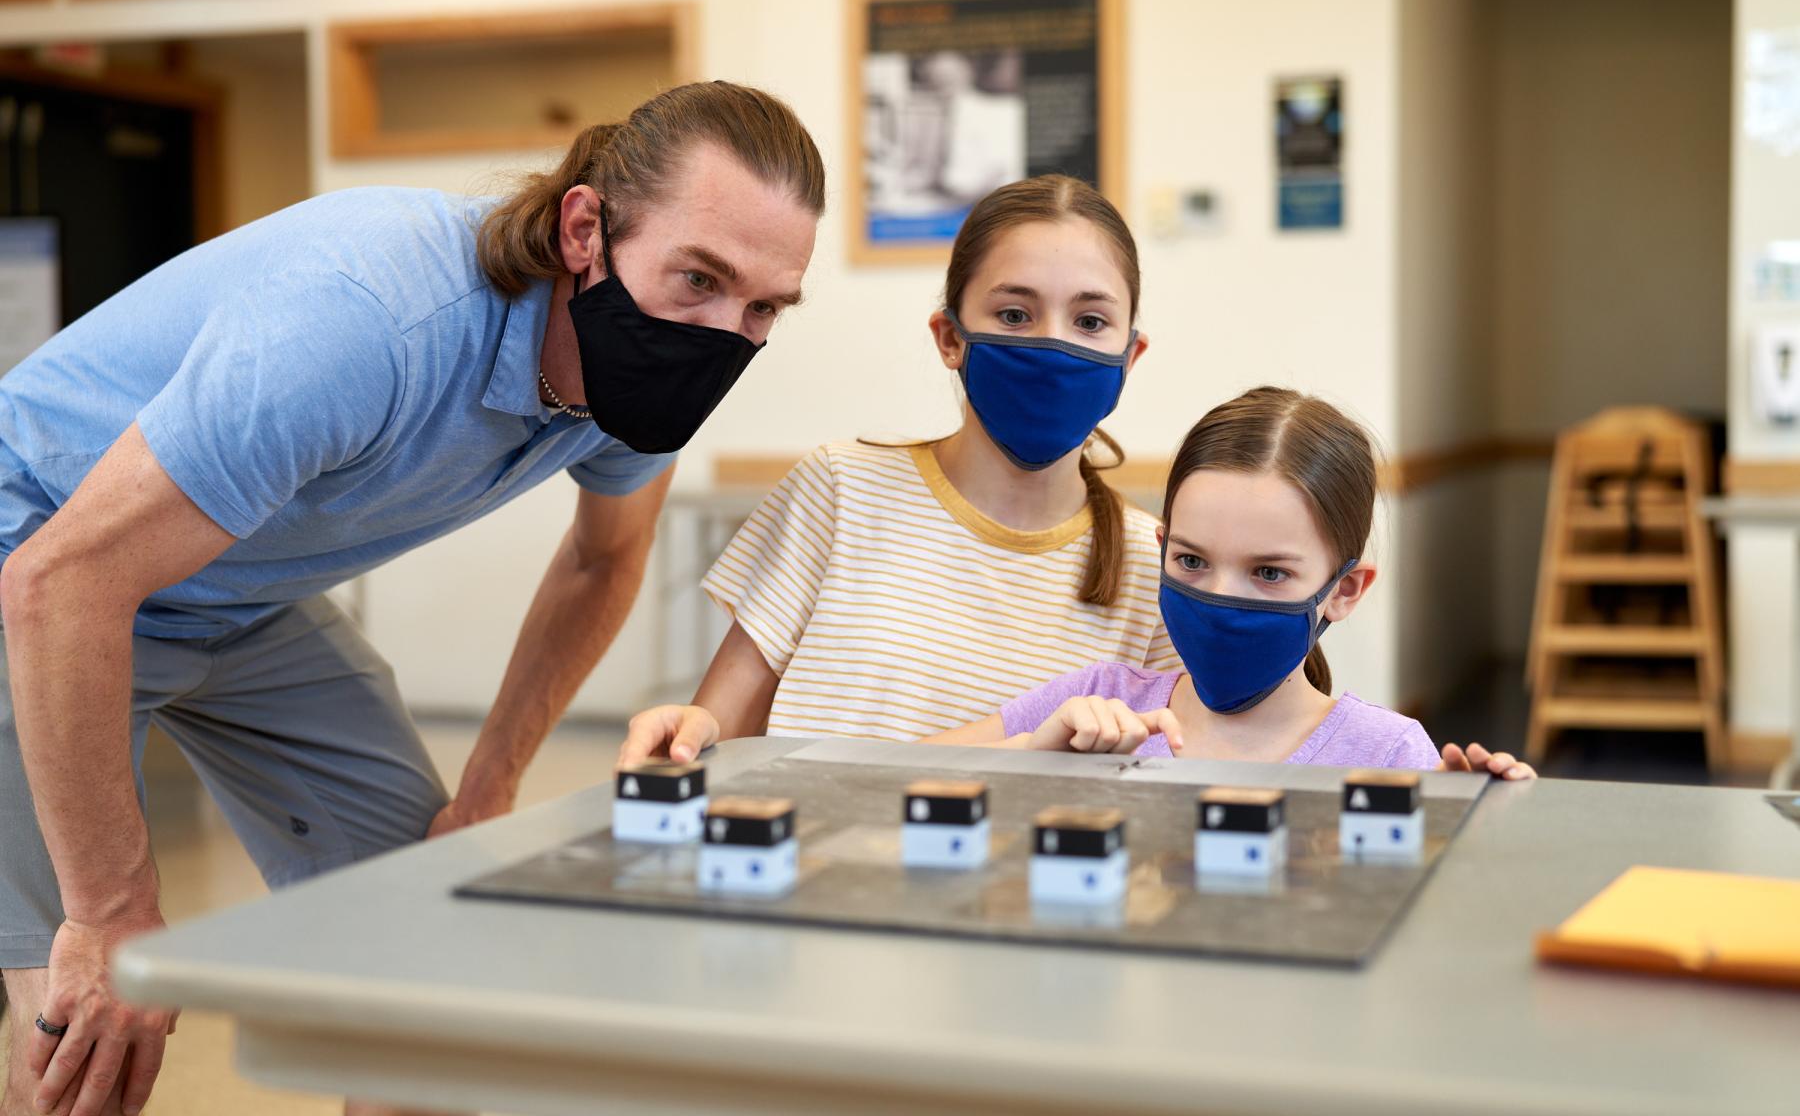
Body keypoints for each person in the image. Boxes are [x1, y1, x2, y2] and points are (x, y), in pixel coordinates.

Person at [0, 81, 824, 1116]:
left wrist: (485, 792)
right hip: (33, 560)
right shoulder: (373, 318)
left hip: (237, 595)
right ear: (585, 230)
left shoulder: (642, 382)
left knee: (424, 965)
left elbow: (602, 559)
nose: (723, 331)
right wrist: (110, 910)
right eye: (697, 277)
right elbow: (60, 580)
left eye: (761, 307)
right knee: (92, 1024)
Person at [618, 175, 1178, 767]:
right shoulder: (840, 488)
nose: (1052, 345)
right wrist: (687, 729)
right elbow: (719, 732)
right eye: (1014, 314)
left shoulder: (1156, 564)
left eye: (1090, 322)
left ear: (1129, 356)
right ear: (950, 339)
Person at [932, 386, 1536, 781]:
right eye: (1192, 561)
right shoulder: (1098, 701)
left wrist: (1484, 825)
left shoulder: (1388, 754)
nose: (1222, 597)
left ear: (1345, 590)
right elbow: (886, 777)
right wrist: (1037, 755)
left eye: (1269, 572)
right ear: (1162, 548)